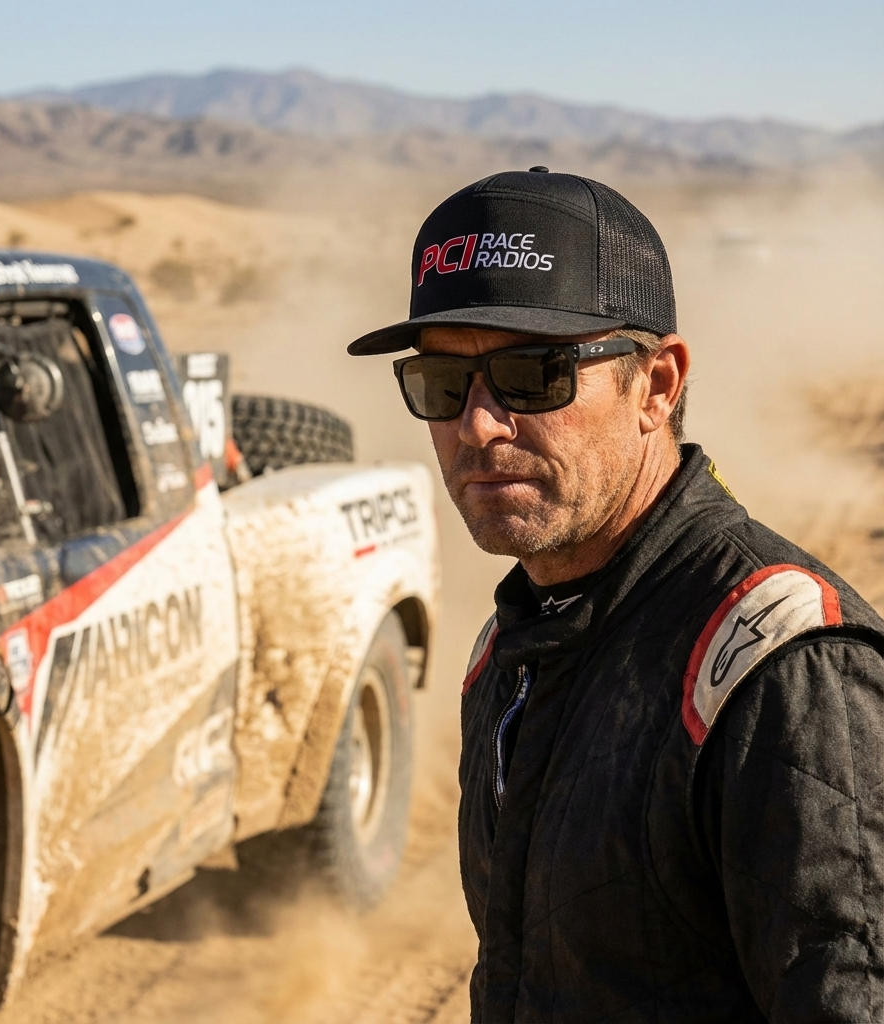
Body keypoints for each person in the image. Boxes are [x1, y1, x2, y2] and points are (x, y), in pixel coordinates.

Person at [348, 168, 883, 1023]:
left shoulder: (779, 665)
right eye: (444, 386)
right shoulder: (516, 640)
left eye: (534, 376)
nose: (478, 426)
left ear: (658, 385)